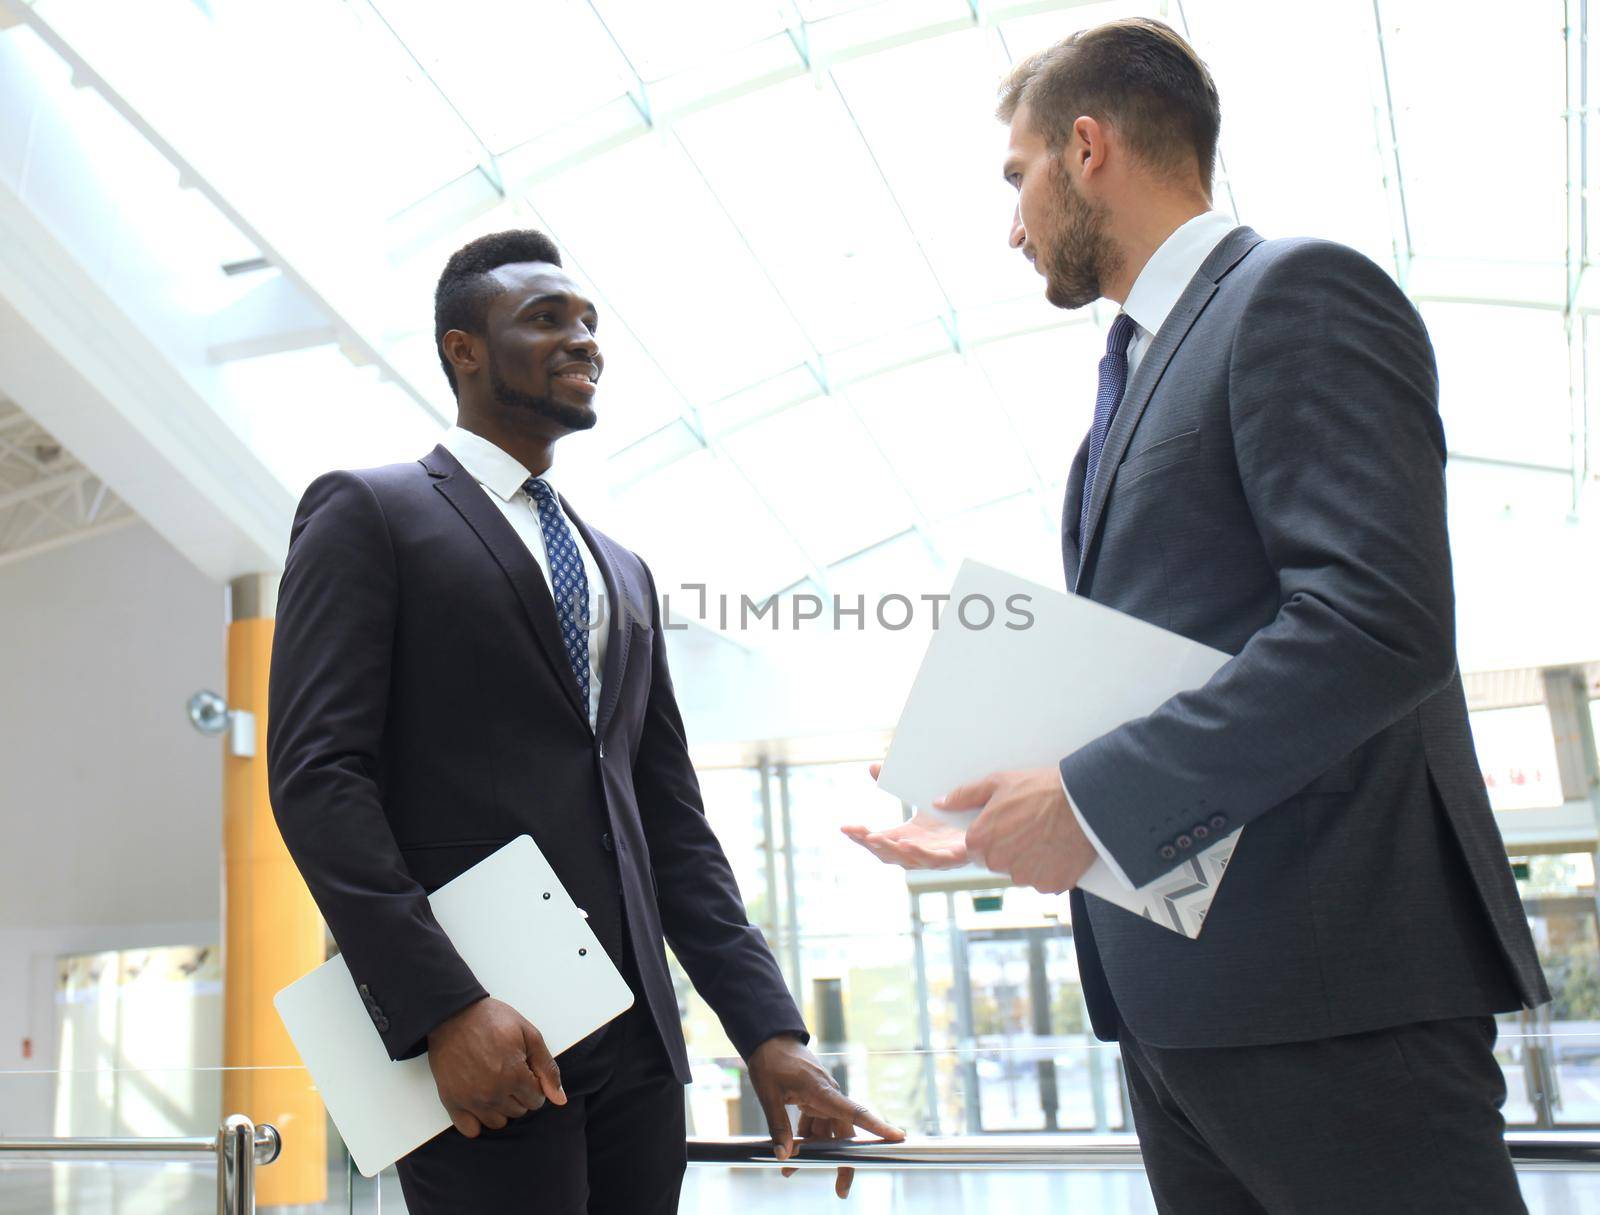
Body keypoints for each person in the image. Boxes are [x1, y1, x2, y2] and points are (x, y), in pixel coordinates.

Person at [845, 18, 1548, 1214]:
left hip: (1335, 1003)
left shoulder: (1295, 293)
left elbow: (1375, 623)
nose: (1011, 226)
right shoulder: (1123, 389)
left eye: (1015, 179)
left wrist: (1094, 800)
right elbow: (1185, 662)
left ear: (1084, 146)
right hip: (1188, 1012)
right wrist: (1010, 802)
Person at [269, 230, 900, 1214]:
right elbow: (318, 776)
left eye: (591, 323)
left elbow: (670, 825)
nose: (584, 340)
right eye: (546, 318)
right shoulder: (371, 510)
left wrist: (768, 1035)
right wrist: (444, 1008)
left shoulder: (621, 568)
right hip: (486, 1037)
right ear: (462, 349)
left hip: (639, 1052)